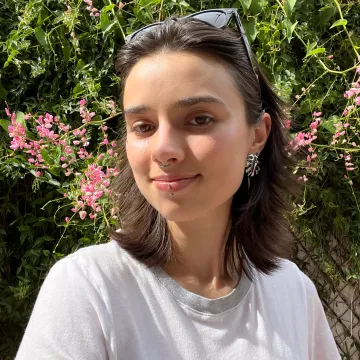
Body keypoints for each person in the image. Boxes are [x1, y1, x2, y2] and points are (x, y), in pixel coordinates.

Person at [16, 8, 340, 360]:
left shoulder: (292, 292)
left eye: (199, 119)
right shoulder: (89, 290)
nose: (163, 151)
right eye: (143, 126)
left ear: (257, 135)